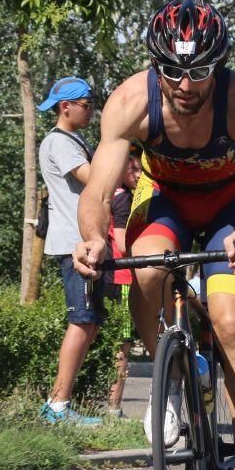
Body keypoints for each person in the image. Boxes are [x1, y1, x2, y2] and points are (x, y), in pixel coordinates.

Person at [72, 0, 235, 470]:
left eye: (200, 71)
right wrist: (96, 239)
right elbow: (96, 192)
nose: (186, 85)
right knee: (144, 266)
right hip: (166, 203)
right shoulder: (130, 102)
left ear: (220, 64)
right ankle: (170, 377)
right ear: (155, 64)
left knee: (232, 323)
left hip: (230, 211)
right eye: (172, 71)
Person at [37, 76, 103, 425]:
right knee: (80, 322)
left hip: (85, 244)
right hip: (74, 246)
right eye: (86, 104)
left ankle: (61, 403)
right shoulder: (60, 143)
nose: (91, 110)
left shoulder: (73, 139)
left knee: (88, 324)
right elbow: (95, 179)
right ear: (66, 107)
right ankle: (57, 405)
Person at [106, 144, 143, 417]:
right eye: (134, 169)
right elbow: (120, 241)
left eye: (142, 169)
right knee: (123, 344)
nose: (139, 174)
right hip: (124, 278)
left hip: (113, 277)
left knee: (117, 344)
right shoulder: (123, 200)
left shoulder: (110, 196)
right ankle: (114, 407)